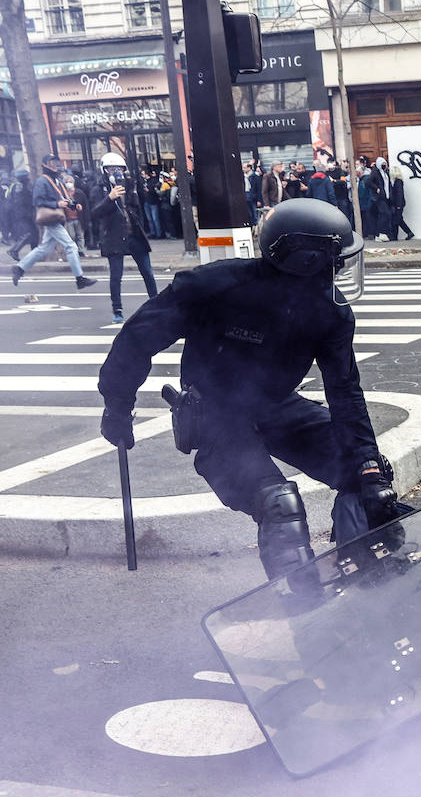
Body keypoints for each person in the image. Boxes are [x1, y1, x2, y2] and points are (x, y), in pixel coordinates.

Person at [97, 198, 395, 591]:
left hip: (277, 406)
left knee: (369, 476)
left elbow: (345, 392)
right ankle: (303, 602)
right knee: (278, 504)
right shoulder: (211, 287)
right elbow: (138, 337)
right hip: (215, 414)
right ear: (306, 259)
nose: (339, 267)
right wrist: (118, 405)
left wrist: (368, 464)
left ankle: (376, 583)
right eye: (333, 258)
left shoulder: (330, 313)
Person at [12, 154, 97, 292]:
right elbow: (38, 201)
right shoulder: (43, 181)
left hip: (55, 218)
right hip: (52, 219)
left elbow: (64, 198)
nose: (55, 165)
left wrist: (74, 205)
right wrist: (56, 203)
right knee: (71, 246)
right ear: (45, 165)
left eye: (55, 162)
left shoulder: (56, 180)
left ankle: (19, 268)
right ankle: (79, 279)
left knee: (44, 249)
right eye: (52, 162)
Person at [90, 152, 157, 325]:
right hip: (113, 236)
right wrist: (110, 198)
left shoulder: (130, 184)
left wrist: (142, 227)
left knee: (147, 272)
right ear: (104, 171)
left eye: (119, 168)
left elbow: (137, 208)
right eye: (111, 169)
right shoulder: (99, 189)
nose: (116, 172)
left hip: (133, 233)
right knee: (116, 275)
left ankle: (156, 302)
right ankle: (117, 310)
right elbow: (95, 212)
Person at [369, 158, 393, 241]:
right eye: (382, 164)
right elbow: (369, 182)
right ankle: (380, 233)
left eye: (385, 164)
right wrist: (377, 188)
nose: (384, 165)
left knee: (385, 215)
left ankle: (381, 234)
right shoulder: (375, 172)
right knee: (384, 214)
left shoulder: (385, 173)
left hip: (386, 197)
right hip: (379, 197)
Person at [388, 168, 416, 241]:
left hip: (398, 204)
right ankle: (404, 234)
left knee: (397, 220)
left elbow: (399, 194)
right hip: (399, 204)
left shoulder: (398, 182)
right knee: (398, 220)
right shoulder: (398, 181)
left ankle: (408, 233)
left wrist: (399, 205)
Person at [141, 166, 164, 239]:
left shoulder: (153, 181)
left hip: (153, 201)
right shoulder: (144, 181)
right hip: (146, 201)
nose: (142, 175)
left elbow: (155, 191)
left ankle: (158, 233)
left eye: (143, 174)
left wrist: (149, 190)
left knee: (155, 218)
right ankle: (153, 232)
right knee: (150, 219)